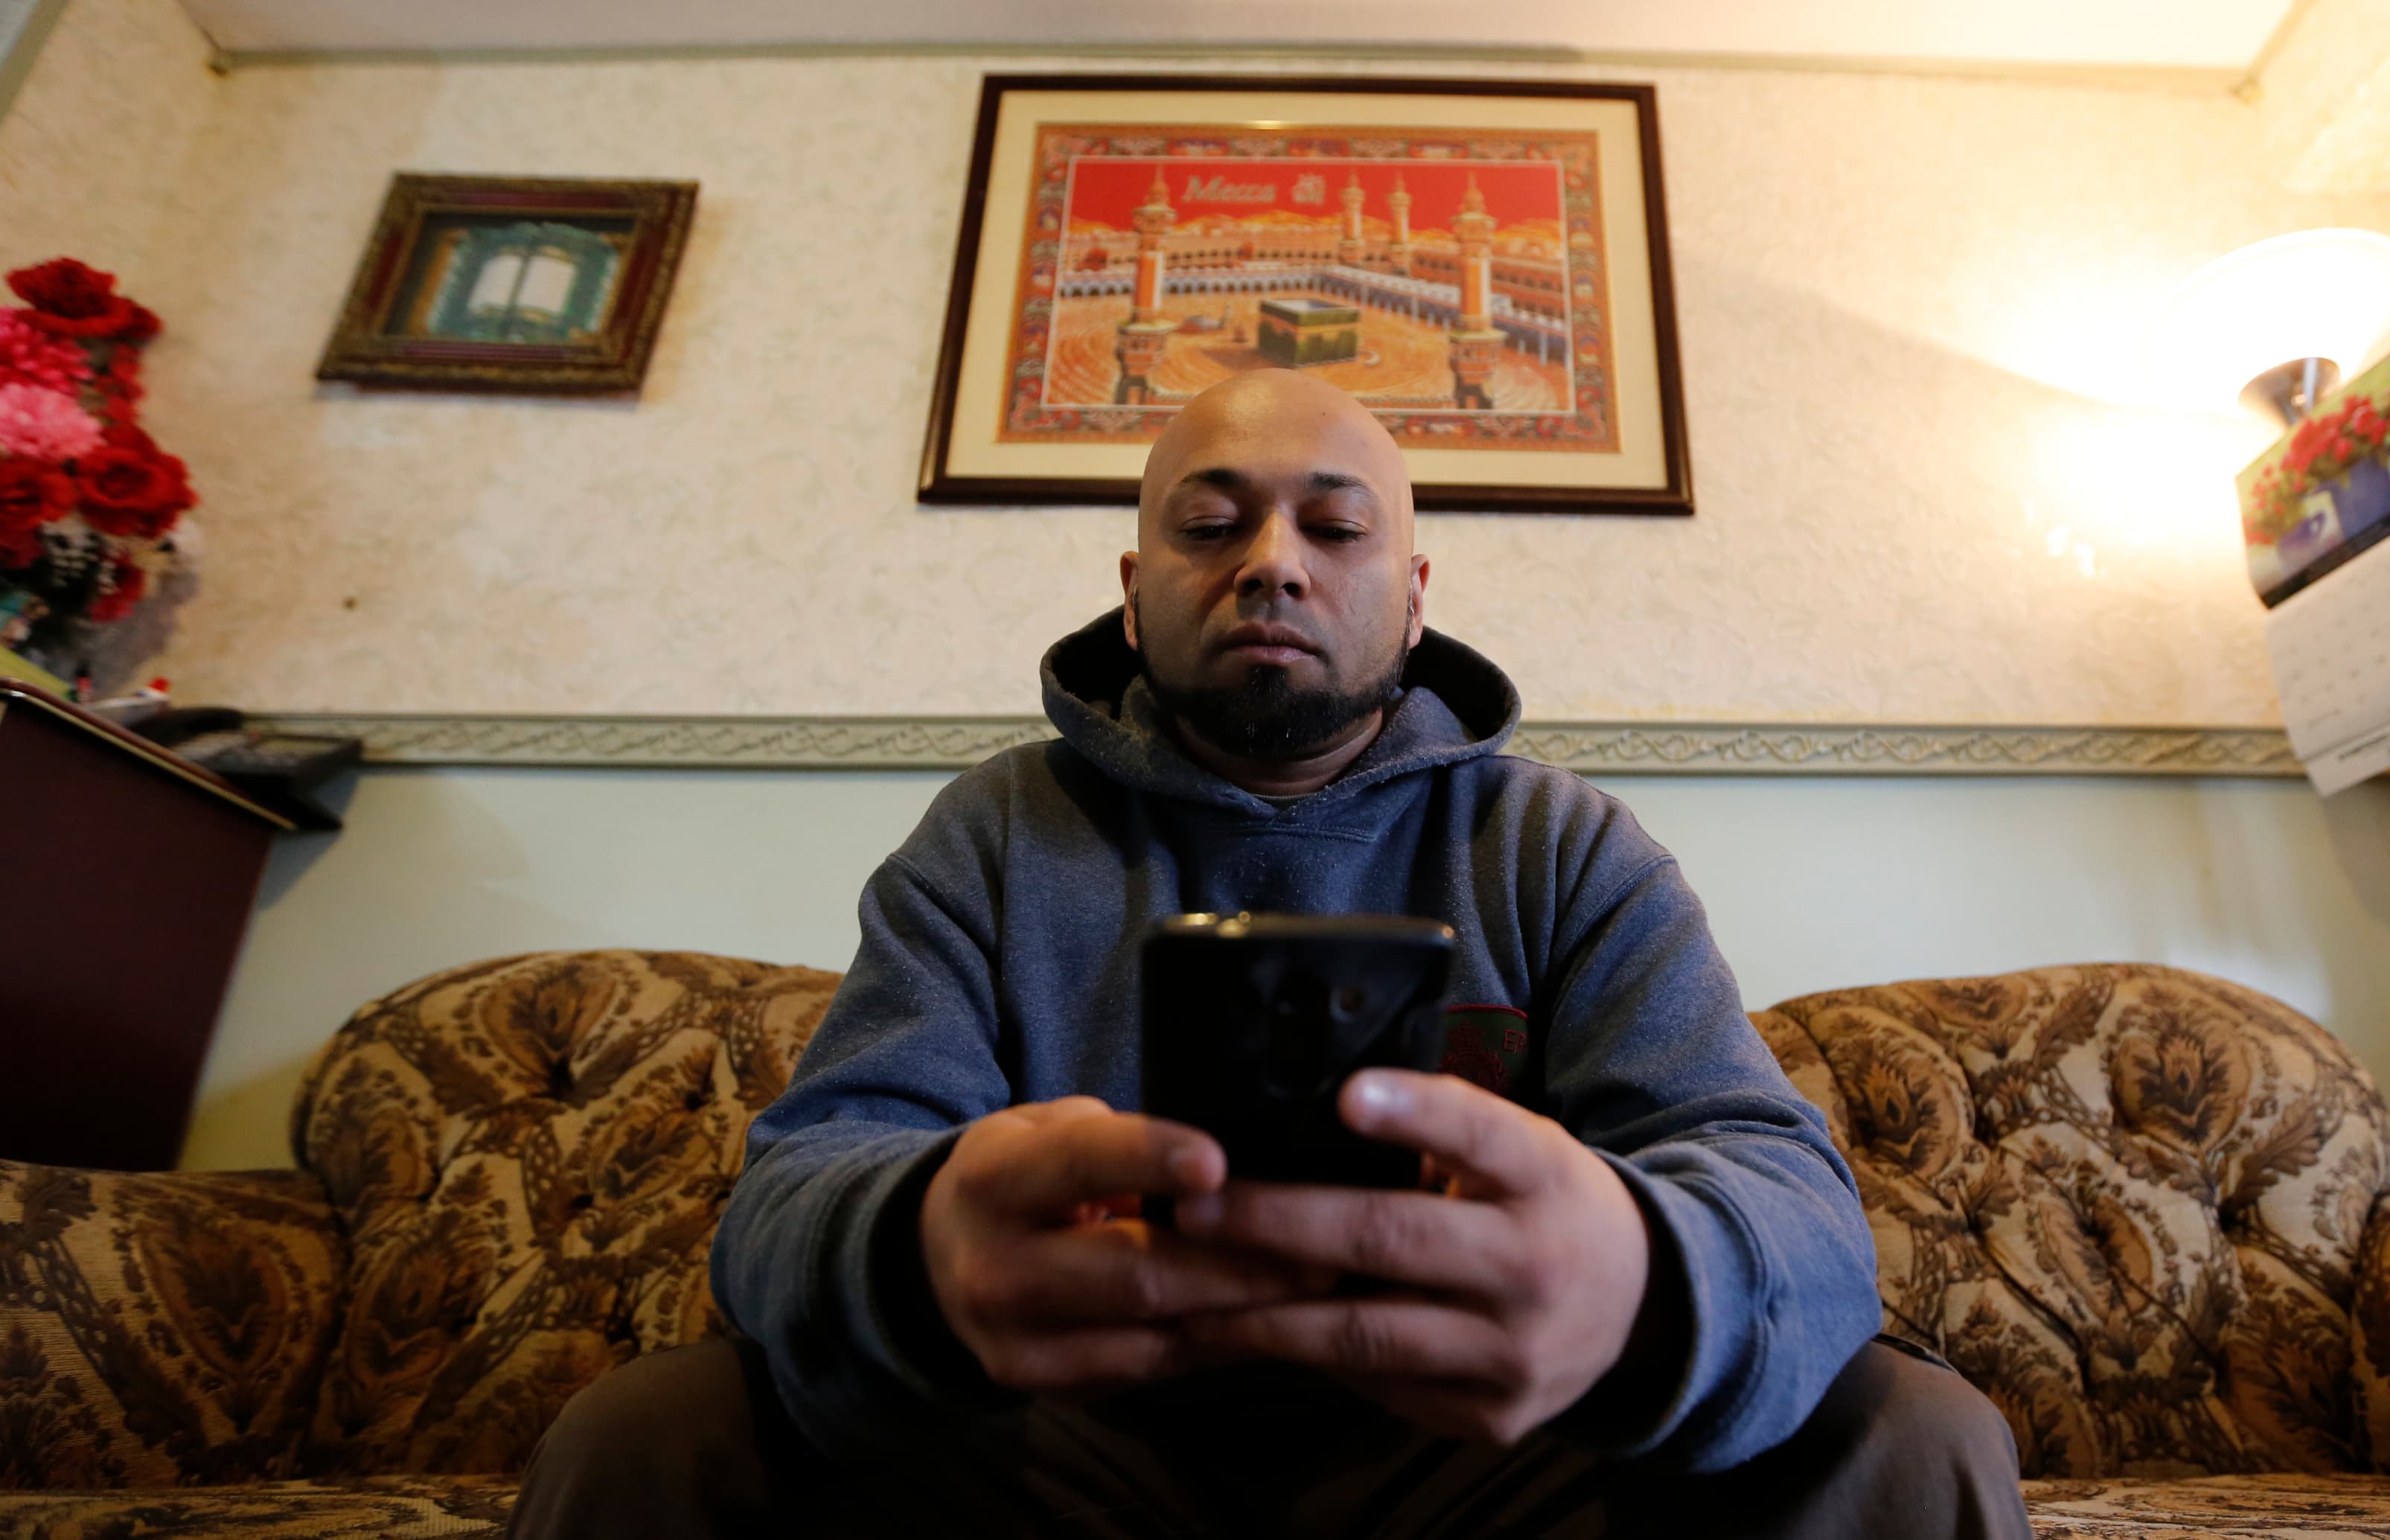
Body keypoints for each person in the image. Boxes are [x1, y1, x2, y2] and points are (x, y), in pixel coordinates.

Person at [509, 371, 2029, 1539]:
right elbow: (800, 1181)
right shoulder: (992, 833)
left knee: (1913, 1434)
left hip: (1479, 1448)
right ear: (1133, 586)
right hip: (1058, 1437)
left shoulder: (1561, 842)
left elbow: (1782, 1189)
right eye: (1211, 521)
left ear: (1415, 597)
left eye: (1338, 524)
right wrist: (915, 1249)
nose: (1273, 563)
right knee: (650, 1434)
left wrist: (1642, 1280)